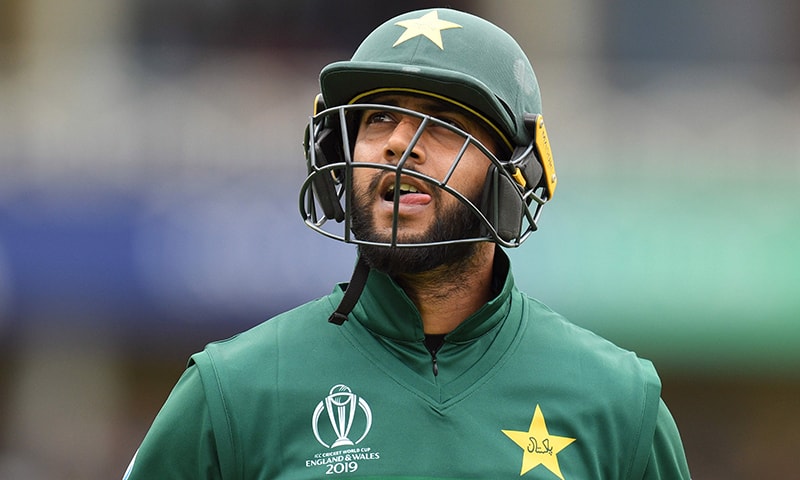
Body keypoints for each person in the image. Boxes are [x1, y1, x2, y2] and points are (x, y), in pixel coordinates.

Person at [124, 8, 691, 479]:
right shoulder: (233, 390)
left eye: (444, 122)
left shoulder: (618, 400)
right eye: (378, 118)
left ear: (513, 174)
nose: (400, 142)